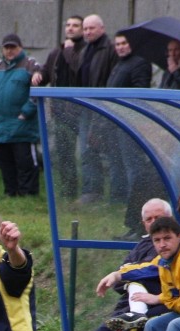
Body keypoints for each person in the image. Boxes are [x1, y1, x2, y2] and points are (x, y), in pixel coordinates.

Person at [40, 199, 173, 331]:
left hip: (155, 307)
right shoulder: (144, 244)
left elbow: (152, 273)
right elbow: (121, 278)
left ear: (170, 219)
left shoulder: (168, 245)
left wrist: (131, 277)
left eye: (159, 217)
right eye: (149, 219)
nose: (154, 222)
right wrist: (130, 279)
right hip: (130, 306)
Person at [31, 16, 87, 197]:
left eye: (75, 25)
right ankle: (67, 191)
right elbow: (47, 71)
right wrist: (38, 75)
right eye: (68, 25)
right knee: (63, 152)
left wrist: (70, 53)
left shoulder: (86, 50)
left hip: (80, 110)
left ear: (83, 29)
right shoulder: (57, 52)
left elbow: (79, 72)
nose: (70, 29)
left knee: (84, 153)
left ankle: (84, 192)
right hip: (59, 111)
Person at [0, 34, 42, 197]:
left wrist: (25, 113)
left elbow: (38, 90)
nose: (9, 51)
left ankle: (28, 194)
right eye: (6, 47)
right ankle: (10, 193)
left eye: (13, 47)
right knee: (6, 163)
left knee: (25, 162)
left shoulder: (30, 65)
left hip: (23, 127)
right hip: (0, 126)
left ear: (20, 48)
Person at [106, 30, 154, 236]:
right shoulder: (119, 64)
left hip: (131, 123)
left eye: (124, 43)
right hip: (116, 123)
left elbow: (139, 92)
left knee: (136, 172)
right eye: (117, 44)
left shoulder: (139, 63)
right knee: (126, 169)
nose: (120, 47)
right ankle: (133, 221)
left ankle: (139, 224)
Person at [77, 14, 118, 204]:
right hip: (86, 107)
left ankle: (112, 195)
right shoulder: (86, 50)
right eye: (85, 29)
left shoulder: (110, 49)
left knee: (104, 150)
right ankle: (91, 190)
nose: (87, 32)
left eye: (91, 28)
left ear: (102, 29)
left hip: (103, 108)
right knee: (86, 149)